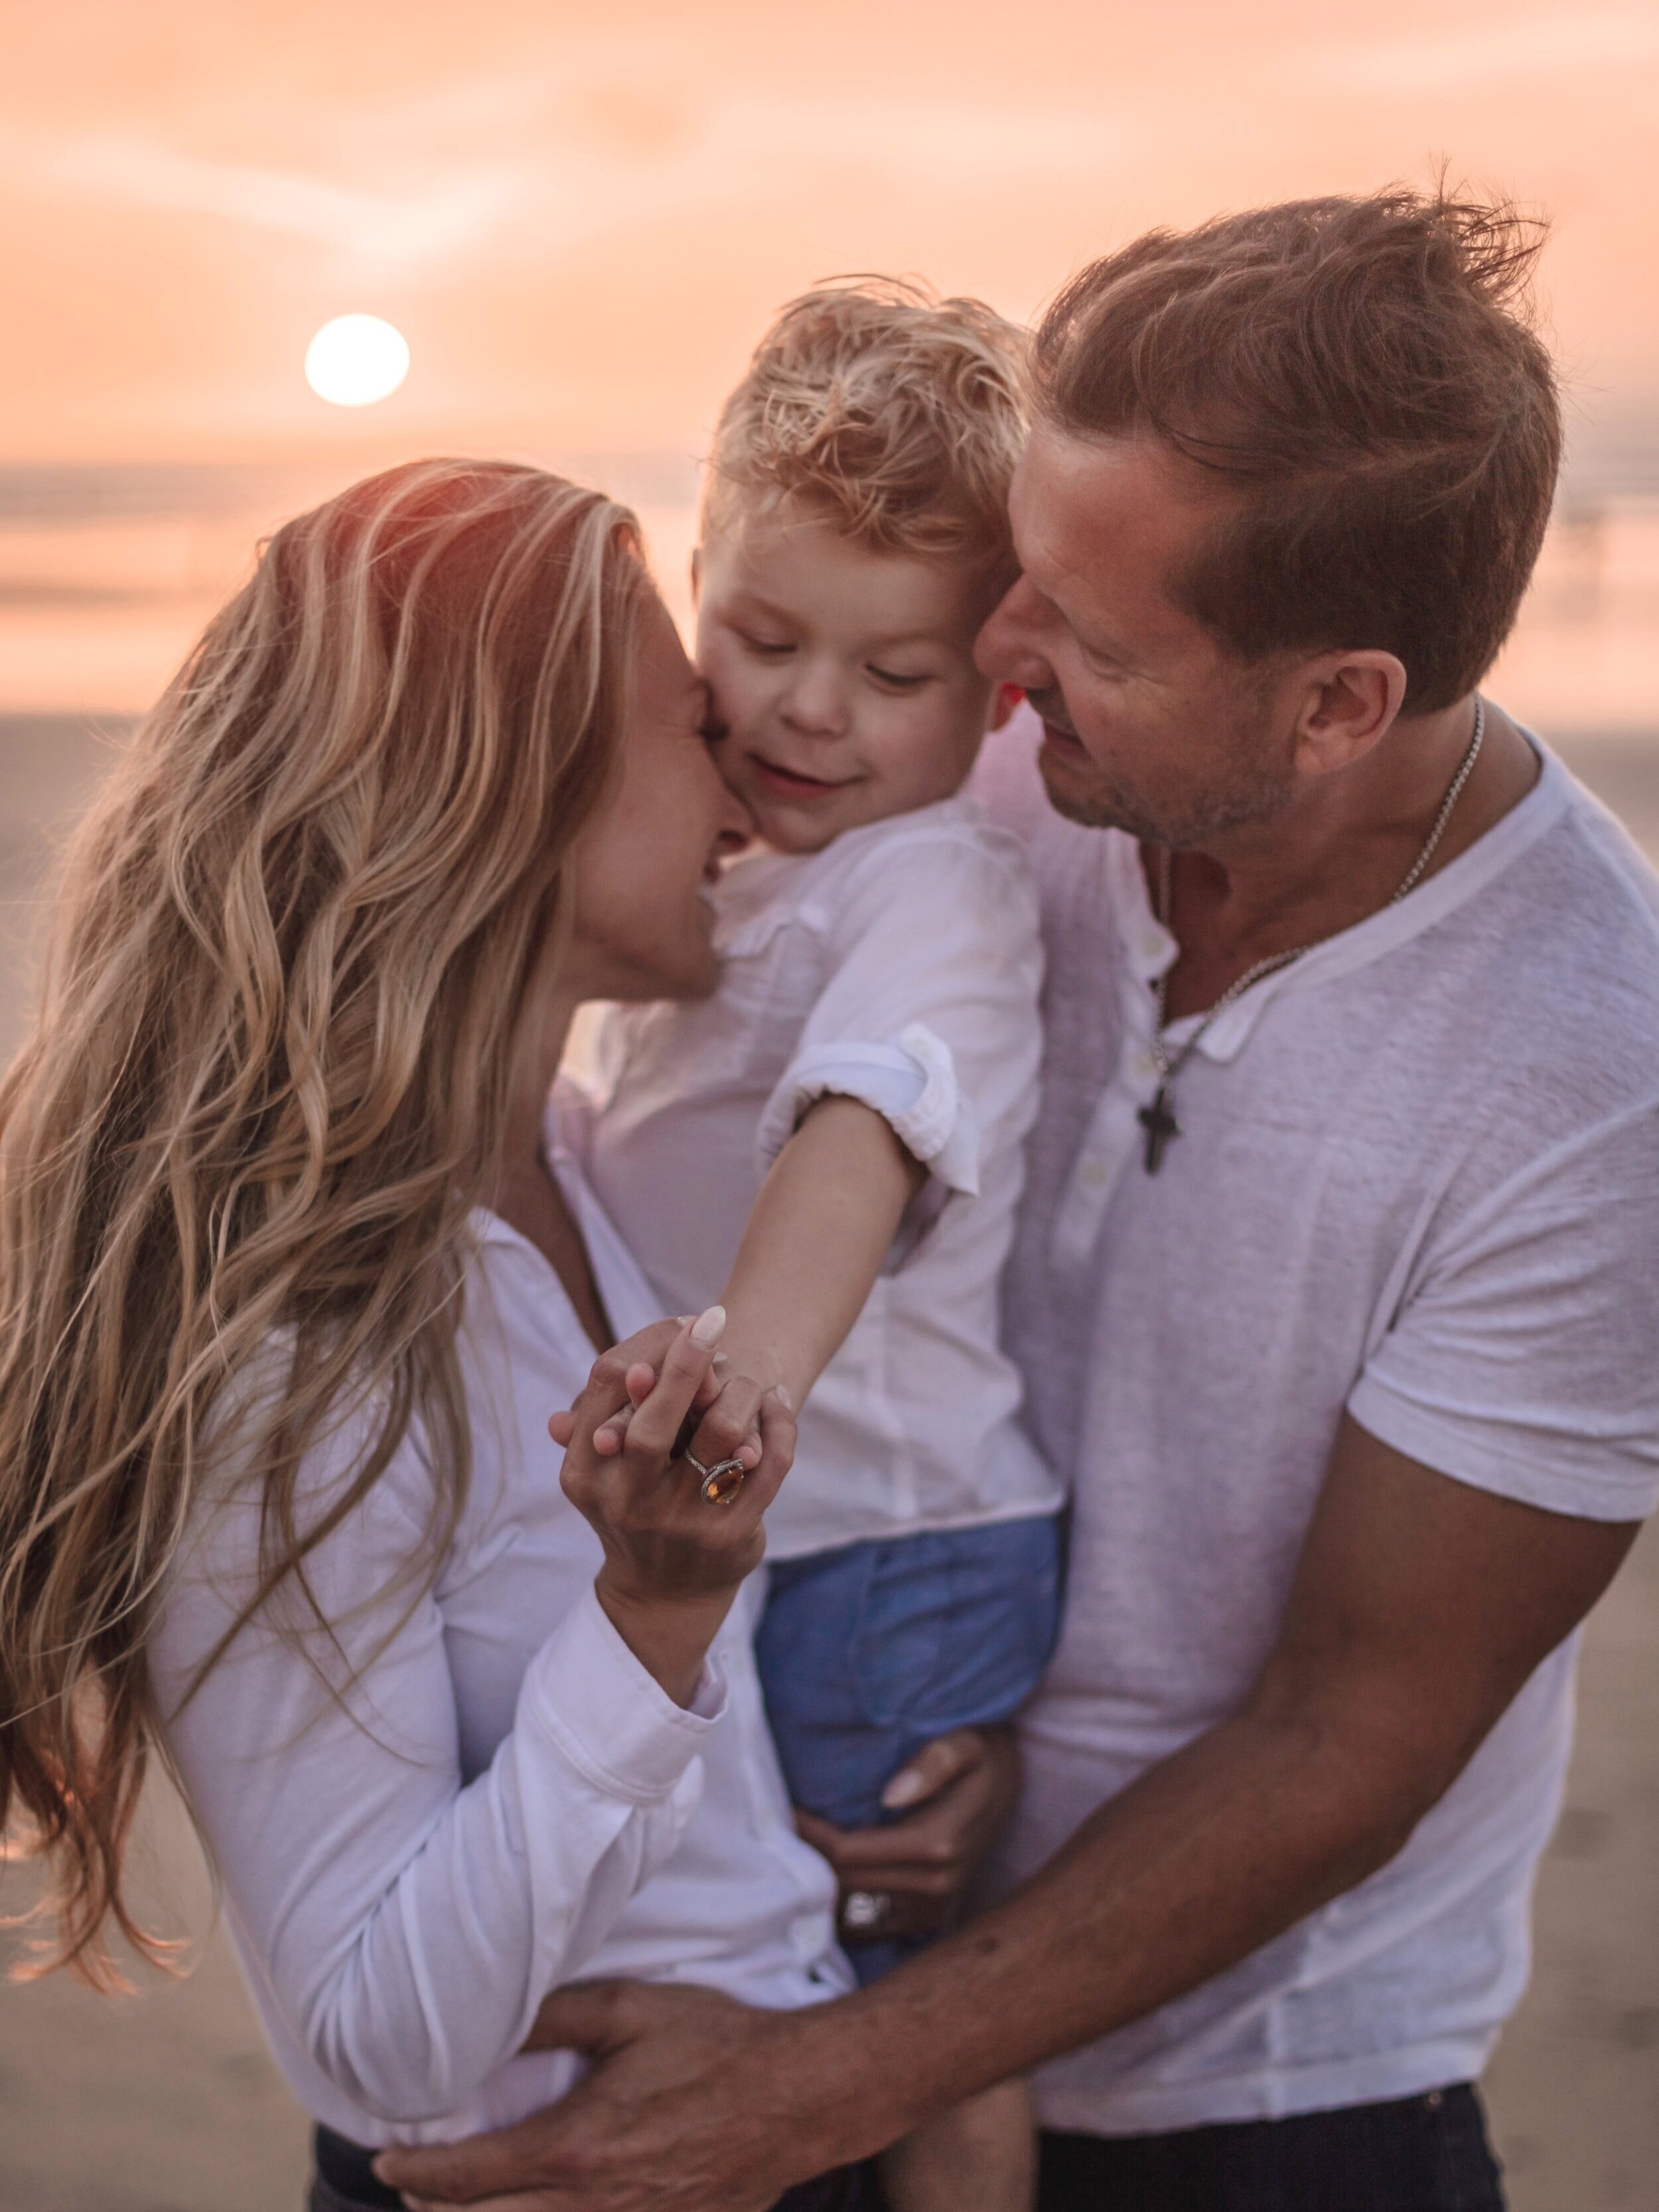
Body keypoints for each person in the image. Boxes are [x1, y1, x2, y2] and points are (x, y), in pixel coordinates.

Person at [378, 190, 1659, 2212]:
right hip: (823, 1875)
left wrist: (822, 2080)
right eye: (1014, 578)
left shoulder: (1593, 1078)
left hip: (1256, 2105)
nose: (989, 652)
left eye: (1078, 630)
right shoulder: (952, 751)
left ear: (1333, 704)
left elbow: (1355, 1731)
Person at [0, 458, 901, 2212]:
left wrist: (822, 1848)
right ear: (504, 794)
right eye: (686, 729)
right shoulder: (301, 1326)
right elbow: (372, 2041)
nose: (745, 791)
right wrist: (652, 1617)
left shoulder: (573, 1157)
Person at [566, 279, 1061, 2212]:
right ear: (694, 573)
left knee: (884, 2004)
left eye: (889, 675)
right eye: (761, 638)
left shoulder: (929, 883)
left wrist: (740, 1380)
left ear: (999, 689)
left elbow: (868, 1124)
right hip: (793, 1533)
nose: (805, 711)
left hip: (877, 1547)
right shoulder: (725, 865)